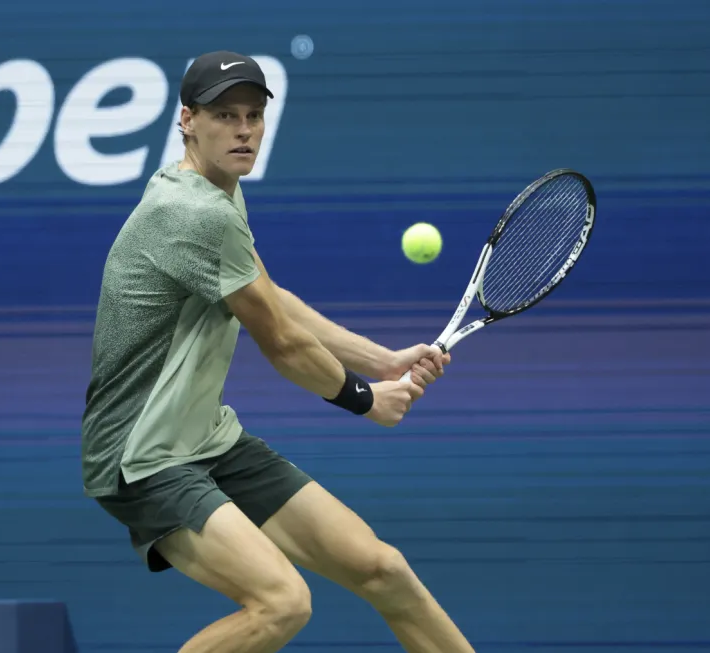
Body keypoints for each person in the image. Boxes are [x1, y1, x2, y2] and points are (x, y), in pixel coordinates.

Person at [81, 50, 476, 653]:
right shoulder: (193, 213)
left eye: (253, 116)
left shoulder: (217, 193)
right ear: (187, 120)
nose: (243, 131)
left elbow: (273, 298)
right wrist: (366, 399)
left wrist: (383, 359)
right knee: (281, 603)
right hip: (143, 457)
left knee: (383, 570)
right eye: (224, 116)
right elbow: (283, 343)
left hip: (205, 439)